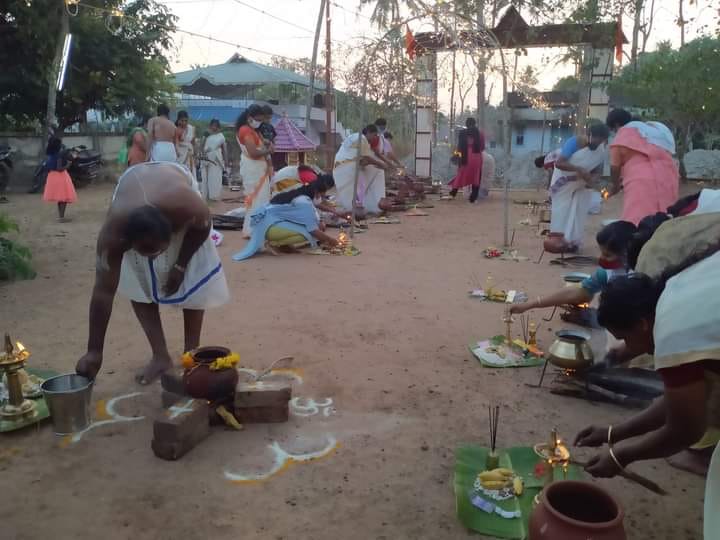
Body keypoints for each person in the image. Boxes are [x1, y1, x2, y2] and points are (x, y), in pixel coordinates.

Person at [575, 246, 720, 539]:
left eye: (626, 338)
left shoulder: (673, 331)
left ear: (642, 324)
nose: (629, 348)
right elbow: (675, 402)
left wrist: (619, 457)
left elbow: (686, 429)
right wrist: (611, 433)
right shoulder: (674, 291)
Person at [75, 162, 230, 384]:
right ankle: (160, 356)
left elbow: (203, 227)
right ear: (127, 242)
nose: (153, 257)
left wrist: (181, 265)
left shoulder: (187, 208)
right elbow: (103, 292)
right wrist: (94, 352)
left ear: (173, 231)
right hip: (132, 186)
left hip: (173, 179)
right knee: (139, 285)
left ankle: (191, 354)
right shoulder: (113, 235)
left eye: (158, 250)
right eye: (144, 251)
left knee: (193, 279)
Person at [511, 220, 637, 315]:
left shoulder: (640, 275)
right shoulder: (607, 273)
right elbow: (578, 292)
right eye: (601, 252)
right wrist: (529, 305)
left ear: (626, 254)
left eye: (608, 255)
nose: (602, 258)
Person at [232, 175, 340, 261]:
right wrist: (332, 241)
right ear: (317, 193)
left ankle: (282, 244)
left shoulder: (303, 194)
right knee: (307, 233)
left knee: (312, 228)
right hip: (268, 227)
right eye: (322, 195)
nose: (321, 199)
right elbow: (312, 229)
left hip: (267, 224)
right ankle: (276, 243)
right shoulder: (304, 202)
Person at [606, 108, 679, 225]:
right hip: (668, 176)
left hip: (641, 180)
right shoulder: (651, 131)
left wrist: (614, 186)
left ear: (616, 125)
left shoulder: (622, 135)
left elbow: (615, 168)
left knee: (638, 218)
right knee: (665, 216)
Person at [546, 124, 610, 252]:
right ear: (589, 134)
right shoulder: (574, 142)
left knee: (578, 212)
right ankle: (557, 242)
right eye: (595, 139)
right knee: (562, 211)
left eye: (601, 140)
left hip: (582, 184)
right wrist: (579, 169)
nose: (597, 143)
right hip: (564, 182)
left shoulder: (602, 150)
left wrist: (592, 179)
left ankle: (572, 242)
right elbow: (559, 163)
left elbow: (598, 170)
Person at [333, 125, 388, 215]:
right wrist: (381, 164)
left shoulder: (354, 136)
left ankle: (359, 207)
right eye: (374, 135)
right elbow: (367, 158)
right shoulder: (362, 139)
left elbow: (363, 160)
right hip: (347, 166)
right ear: (369, 132)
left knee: (357, 188)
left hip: (339, 167)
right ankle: (360, 208)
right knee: (360, 187)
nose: (374, 138)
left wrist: (374, 164)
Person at [236, 104, 274, 238]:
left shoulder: (253, 130)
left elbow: (262, 145)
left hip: (259, 168)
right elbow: (253, 152)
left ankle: (254, 229)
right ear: (249, 117)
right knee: (256, 199)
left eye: (261, 120)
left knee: (261, 199)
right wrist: (267, 150)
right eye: (257, 119)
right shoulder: (245, 130)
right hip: (253, 168)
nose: (259, 122)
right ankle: (253, 230)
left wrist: (267, 144)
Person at [449, 118, 485, 203]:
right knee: (476, 177)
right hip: (477, 156)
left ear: (467, 124)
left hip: (465, 156)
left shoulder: (463, 133)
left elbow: (459, 147)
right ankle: (473, 197)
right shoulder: (480, 134)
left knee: (461, 174)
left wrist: (455, 156)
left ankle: (453, 192)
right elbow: (482, 147)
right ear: (475, 123)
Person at [42, 136, 77, 222]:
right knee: (63, 198)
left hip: (52, 176)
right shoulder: (59, 154)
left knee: (60, 197)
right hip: (60, 176)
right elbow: (59, 168)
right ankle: (61, 217)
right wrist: (69, 164)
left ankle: (61, 216)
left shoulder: (50, 154)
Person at [200, 119, 228, 201]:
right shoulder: (206, 134)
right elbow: (201, 146)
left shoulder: (221, 136)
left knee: (215, 177)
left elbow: (224, 149)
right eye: (213, 125)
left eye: (216, 126)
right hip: (206, 158)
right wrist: (202, 154)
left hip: (216, 159)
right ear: (210, 125)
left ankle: (214, 196)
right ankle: (206, 196)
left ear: (218, 127)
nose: (214, 127)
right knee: (205, 177)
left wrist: (226, 160)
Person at [175, 110, 197, 180]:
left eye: (186, 121)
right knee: (180, 174)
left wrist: (196, 156)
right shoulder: (175, 129)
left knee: (190, 174)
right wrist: (177, 153)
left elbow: (194, 143)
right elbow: (175, 143)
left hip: (190, 154)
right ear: (178, 120)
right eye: (182, 120)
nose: (184, 123)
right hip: (179, 154)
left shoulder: (191, 128)